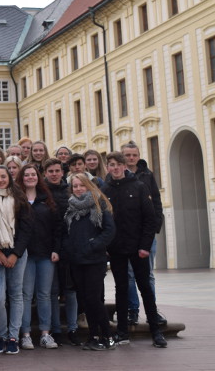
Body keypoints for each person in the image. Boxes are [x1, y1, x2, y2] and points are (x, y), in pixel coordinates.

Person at [102, 152, 167, 348]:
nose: (115, 168)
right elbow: (103, 222)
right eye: (111, 165)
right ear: (108, 167)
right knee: (121, 289)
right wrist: (107, 247)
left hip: (138, 248)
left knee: (145, 287)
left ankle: (155, 331)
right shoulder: (105, 190)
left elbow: (150, 219)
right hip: (117, 249)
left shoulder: (139, 186)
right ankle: (122, 332)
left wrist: (145, 246)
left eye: (118, 164)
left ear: (124, 166)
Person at [61, 173, 116, 350]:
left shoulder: (99, 205)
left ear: (88, 186)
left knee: (94, 299)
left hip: (94, 260)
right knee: (85, 300)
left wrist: (93, 245)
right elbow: (66, 233)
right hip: (77, 261)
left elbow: (109, 231)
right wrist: (70, 248)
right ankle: (93, 336)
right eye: (75, 186)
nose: (78, 189)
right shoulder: (71, 209)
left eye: (81, 185)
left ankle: (107, 336)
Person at [0, 164, 32, 355]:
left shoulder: (20, 198)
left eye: (3, 177)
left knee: (16, 295)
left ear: (9, 178)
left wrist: (15, 254)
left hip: (17, 252)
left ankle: (13, 337)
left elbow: (26, 228)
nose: (0, 180)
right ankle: (2, 335)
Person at [121, 141, 166, 327]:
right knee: (129, 274)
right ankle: (133, 310)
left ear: (138, 156)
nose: (131, 158)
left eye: (134, 155)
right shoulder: (116, 175)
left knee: (148, 275)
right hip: (126, 234)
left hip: (146, 233)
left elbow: (156, 201)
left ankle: (152, 311)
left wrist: (155, 226)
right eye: (128, 155)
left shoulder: (147, 174)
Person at [18, 163, 60, 350]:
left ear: (38, 177)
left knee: (44, 295)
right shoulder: (17, 199)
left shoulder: (46, 199)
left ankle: (45, 333)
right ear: (22, 178)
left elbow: (56, 227)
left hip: (45, 254)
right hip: (25, 255)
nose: (30, 177)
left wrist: (55, 249)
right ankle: (25, 334)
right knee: (26, 295)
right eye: (26, 175)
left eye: (33, 174)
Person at [42, 158, 79, 345]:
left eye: (57, 170)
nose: (54, 174)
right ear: (46, 173)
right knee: (53, 290)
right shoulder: (42, 192)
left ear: (62, 172)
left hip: (70, 247)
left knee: (70, 290)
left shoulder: (70, 191)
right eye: (51, 171)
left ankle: (72, 328)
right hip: (49, 247)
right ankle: (55, 329)